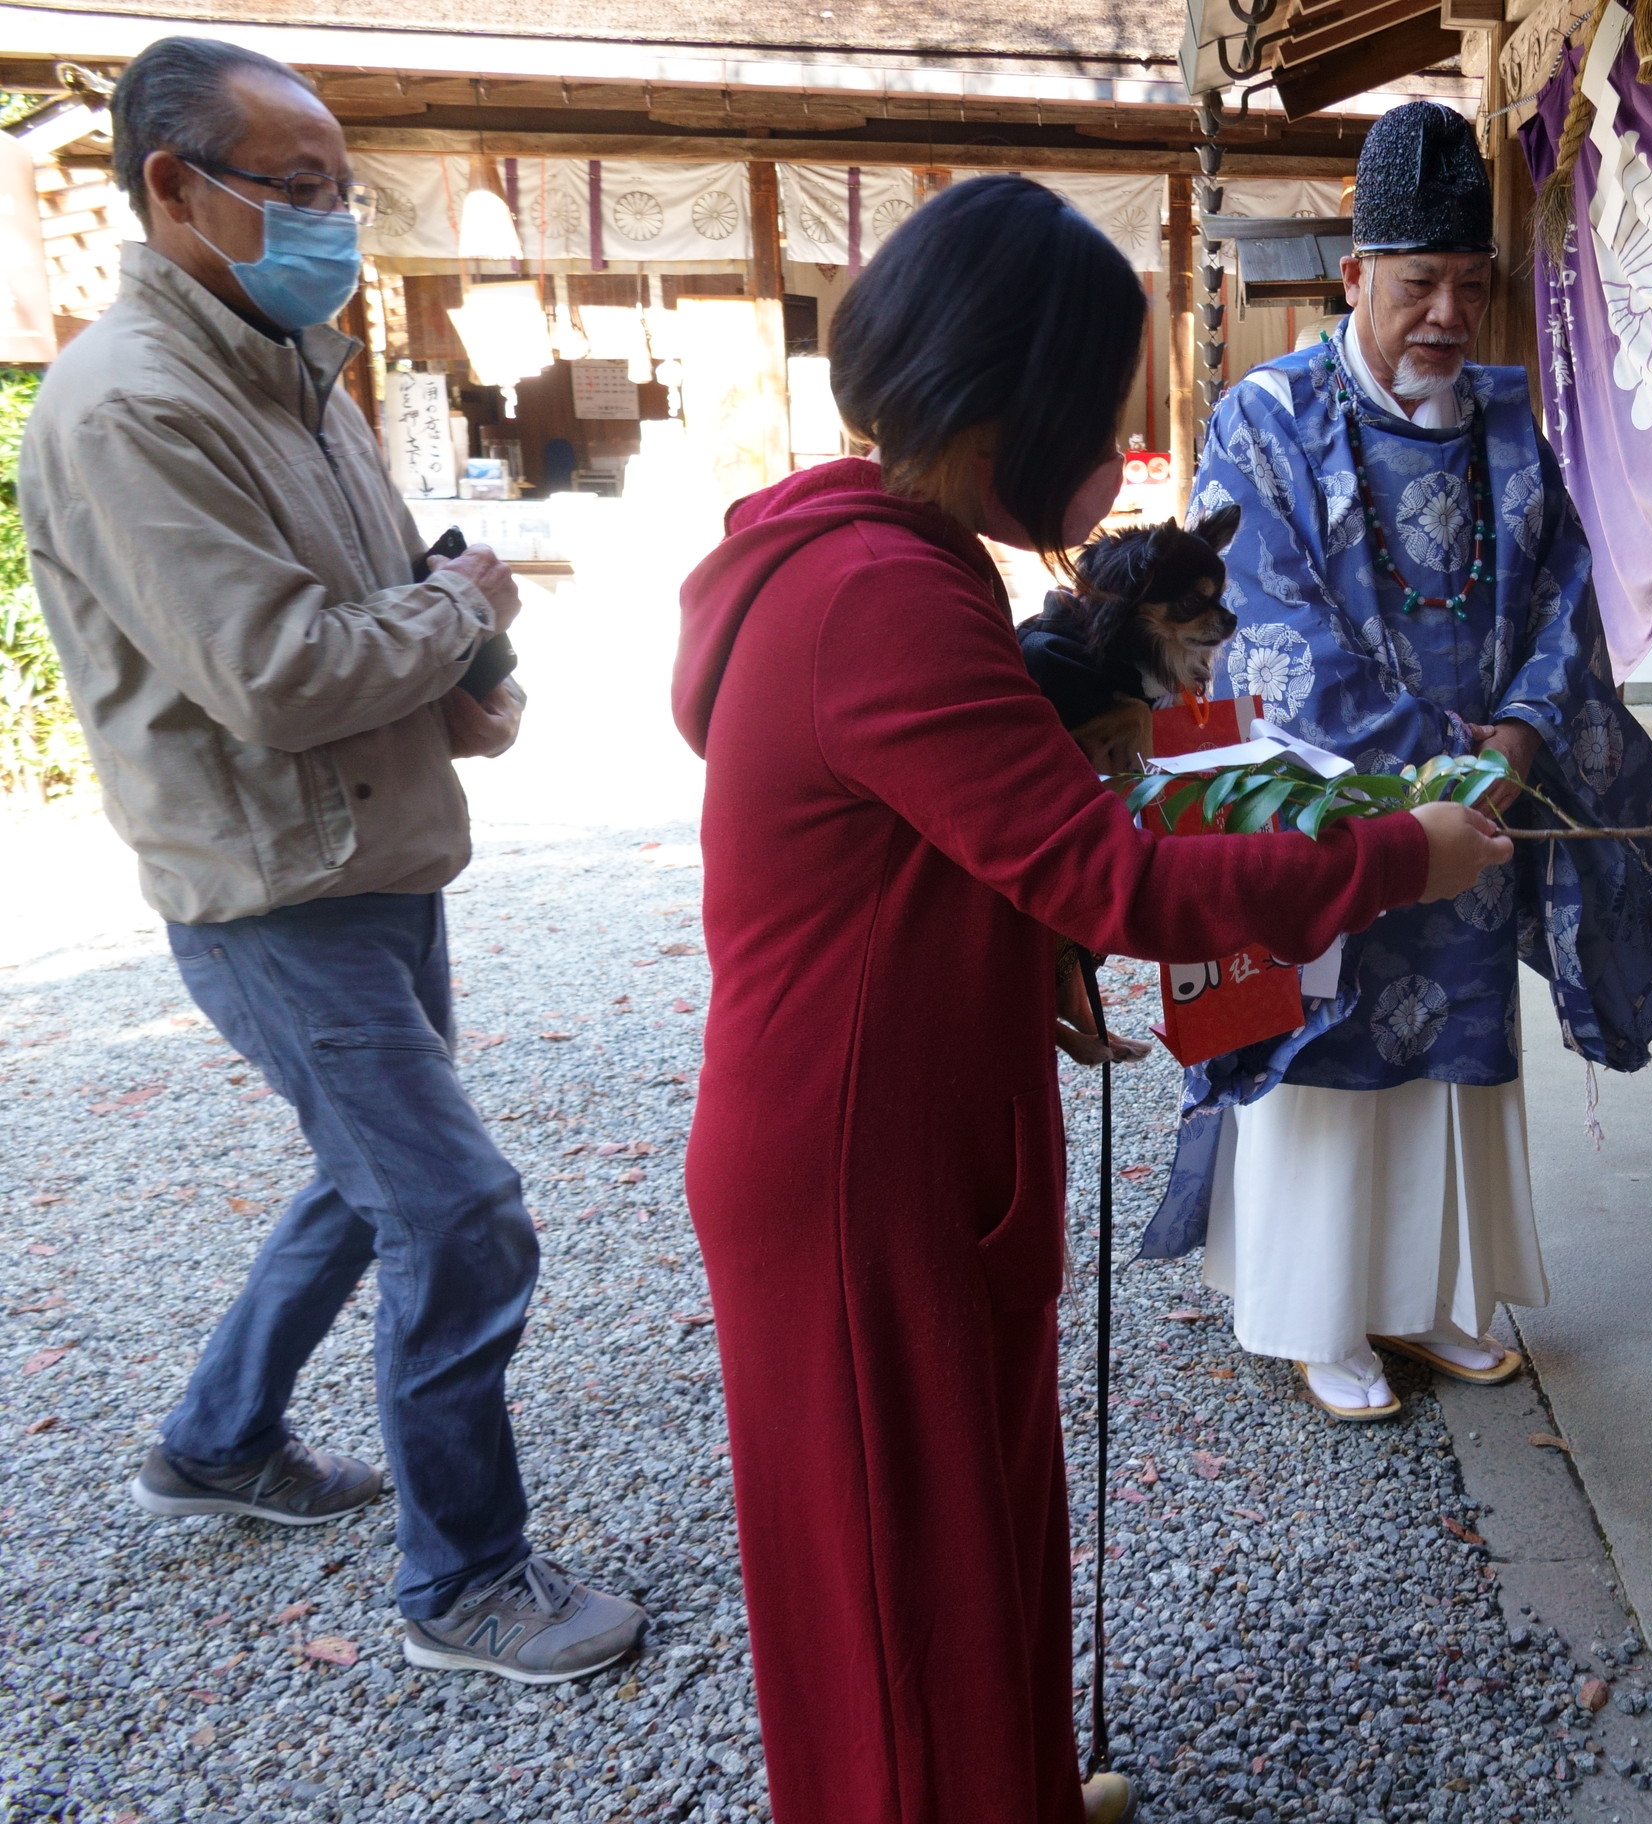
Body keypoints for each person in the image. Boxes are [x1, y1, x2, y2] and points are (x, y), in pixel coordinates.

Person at [673, 174, 1510, 1824]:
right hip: (863, 1158)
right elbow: (1116, 879)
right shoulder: (884, 600)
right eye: (1099, 412)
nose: (1118, 455)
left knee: (971, 1535)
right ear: (1009, 413)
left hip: (908, 1118)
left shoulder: (879, 555)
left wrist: (1021, 949)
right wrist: (1397, 858)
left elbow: (954, 852)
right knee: (899, 1575)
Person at [16, 36, 644, 1682]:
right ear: (174, 189)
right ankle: (465, 1580)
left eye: (341, 193)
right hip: (272, 889)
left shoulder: (283, 361)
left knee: (370, 1185)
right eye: (293, 192)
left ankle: (217, 1444)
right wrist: (470, 612)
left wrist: (463, 676)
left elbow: (365, 589)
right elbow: (278, 673)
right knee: (459, 1210)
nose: (330, 225)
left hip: (364, 855)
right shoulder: (135, 407)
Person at [1134, 100, 1652, 1419]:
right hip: (1330, 809)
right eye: (1418, 282)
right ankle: (1318, 1312)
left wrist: (1515, 745)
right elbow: (1271, 634)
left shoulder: (1508, 420)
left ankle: (1434, 1300)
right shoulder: (1265, 421)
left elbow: (1569, 598)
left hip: (1485, 798)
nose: (1445, 314)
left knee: (1453, 1050)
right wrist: (1437, 772)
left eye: (1470, 287)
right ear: (1354, 279)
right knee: (1332, 1050)